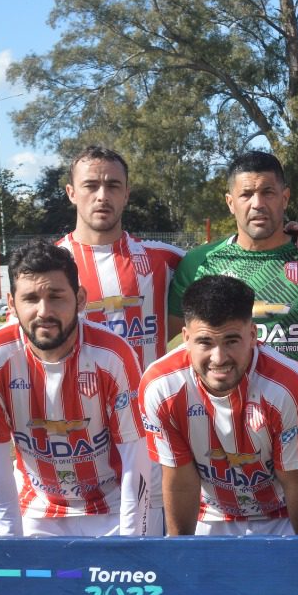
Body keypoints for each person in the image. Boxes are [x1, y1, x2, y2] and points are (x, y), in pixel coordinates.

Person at [167, 151, 298, 493]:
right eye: (246, 194)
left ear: (285, 198)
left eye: (268, 192)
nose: (257, 203)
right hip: (226, 455)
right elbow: (163, 339)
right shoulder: (199, 264)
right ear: (229, 202)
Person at [0, 240, 146, 537]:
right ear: (11, 304)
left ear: (80, 298)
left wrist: (129, 540)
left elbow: (135, 456)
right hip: (37, 507)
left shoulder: (113, 355)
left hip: (113, 506)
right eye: (30, 298)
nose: (43, 311)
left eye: (56, 297)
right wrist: (10, 541)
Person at [141, 275, 298, 536]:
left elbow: (294, 482)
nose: (219, 358)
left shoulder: (288, 386)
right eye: (205, 342)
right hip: (214, 512)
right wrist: (181, 556)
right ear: (186, 338)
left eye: (231, 341)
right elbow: (180, 482)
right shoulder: (161, 386)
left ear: (253, 334)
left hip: (292, 507)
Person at [56, 144, 185, 533]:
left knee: (148, 561)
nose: (102, 195)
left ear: (127, 193)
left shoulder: (162, 259)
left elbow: (236, 256)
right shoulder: (48, 264)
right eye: (91, 185)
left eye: (113, 185)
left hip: (148, 440)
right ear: (71, 192)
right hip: (73, 446)